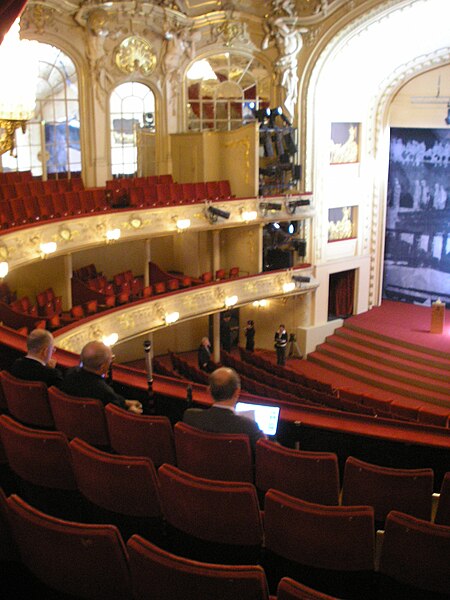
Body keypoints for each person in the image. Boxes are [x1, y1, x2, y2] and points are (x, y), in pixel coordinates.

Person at [183, 367, 265, 451]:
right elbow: (264, 453)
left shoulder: (190, 416)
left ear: (209, 391)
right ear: (237, 392)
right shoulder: (249, 426)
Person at [61, 341, 142, 414]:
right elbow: (119, 417)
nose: (111, 362)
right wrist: (131, 412)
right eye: (111, 360)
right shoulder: (103, 391)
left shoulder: (70, 373)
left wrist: (124, 402)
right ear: (102, 367)